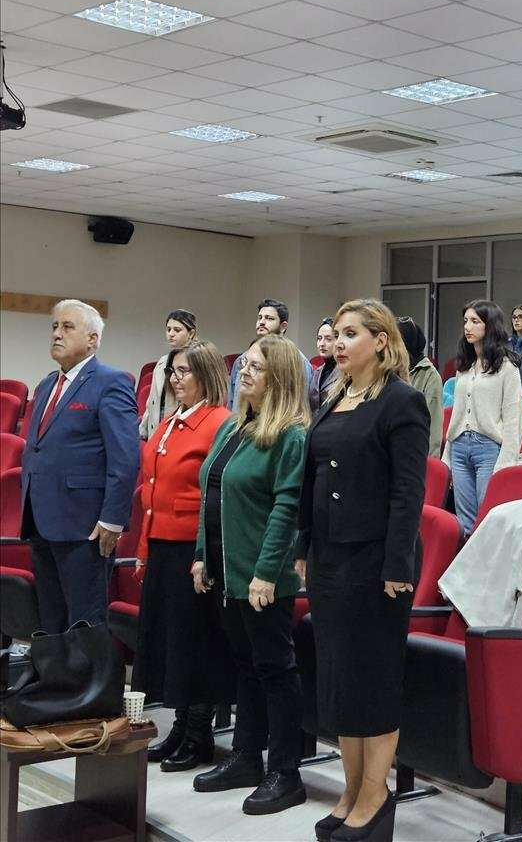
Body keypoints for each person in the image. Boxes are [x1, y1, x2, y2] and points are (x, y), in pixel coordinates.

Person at [295, 299, 429, 842]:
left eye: (351, 333)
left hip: (376, 563)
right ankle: (351, 790)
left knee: (371, 680)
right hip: (329, 558)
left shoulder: (402, 402)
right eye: (336, 334)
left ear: (381, 340)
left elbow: (408, 491)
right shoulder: (334, 397)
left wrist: (398, 563)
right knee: (340, 682)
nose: (338, 343)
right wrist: (304, 546)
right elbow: (310, 480)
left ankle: (376, 794)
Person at [192, 334, 309, 816]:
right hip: (226, 570)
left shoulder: (290, 435)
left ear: (278, 378)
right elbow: (211, 493)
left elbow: (287, 507)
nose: (244, 371)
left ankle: (286, 772)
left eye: (256, 367)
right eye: (244, 364)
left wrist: (266, 572)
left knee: (275, 670)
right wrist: (202, 555)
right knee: (246, 666)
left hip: (264, 577)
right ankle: (245, 757)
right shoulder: (234, 426)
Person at [133, 341, 235, 772]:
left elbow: (216, 493)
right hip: (161, 543)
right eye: (172, 372)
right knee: (173, 643)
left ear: (206, 375)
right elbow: (151, 491)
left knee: (196, 642)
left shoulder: (219, 422)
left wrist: (203, 553)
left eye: (184, 372)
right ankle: (180, 726)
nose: (175, 379)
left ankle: (199, 733)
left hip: (192, 549)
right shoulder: (171, 421)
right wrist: (143, 548)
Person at [20, 300, 140, 633]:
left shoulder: (111, 382)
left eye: (67, 327)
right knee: (51, 622)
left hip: (84, 527)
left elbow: (125, 457)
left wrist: (113, 518)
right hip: (41, 521)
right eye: (54, 327)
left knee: (84, 624)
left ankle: (87, 672)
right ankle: (55, 669)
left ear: (92, 339)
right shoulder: (47, 385)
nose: (57, 334)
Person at [444, 300, 522, 534]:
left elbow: (514, 418)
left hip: (488, 448)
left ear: (489, 326)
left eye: (474, 321)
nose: (467, 327)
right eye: (465, 321)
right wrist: (447, 455)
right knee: (465, 521)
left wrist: (507, 461)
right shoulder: (465, 365)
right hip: (459, 445)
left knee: (488, 518)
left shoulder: (506, 366)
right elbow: (457, 414)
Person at [228, 298, 312, 409]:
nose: (262, 322)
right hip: (243, 419)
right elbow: (232, 405)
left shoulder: (298, 362)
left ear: (283, 326)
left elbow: (301, 405)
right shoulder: (242, 360)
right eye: (260, 317)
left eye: (269, 318)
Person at [140, 309, 197, 439]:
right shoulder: (162, 362)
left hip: (181, 429)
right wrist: (143, 431)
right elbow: (152, 401)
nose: (171, 334)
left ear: (191, 333)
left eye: (177, 330)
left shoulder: (198, 361)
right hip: (156, 430)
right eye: (168, 329)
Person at [397, 316, 443, 457]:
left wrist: (430, 462)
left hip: (415, 454)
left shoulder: (429, 375)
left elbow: (433, 427)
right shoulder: (388, 370)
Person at [309, 318, 337, 415]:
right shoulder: (316, 372)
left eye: (328, 339)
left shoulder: (346, 373)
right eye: (319, 338)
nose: (322, 344)